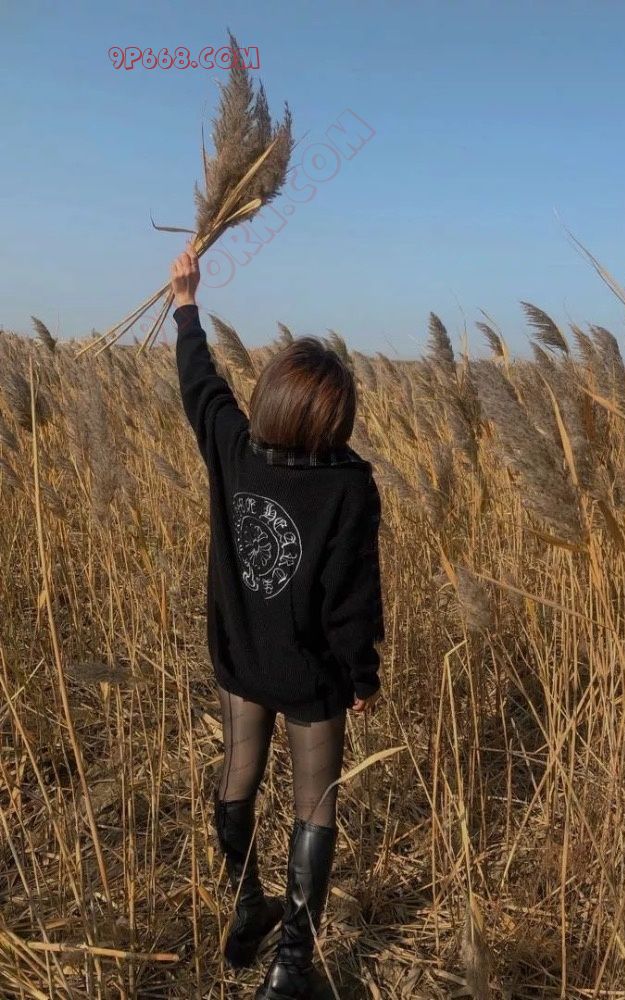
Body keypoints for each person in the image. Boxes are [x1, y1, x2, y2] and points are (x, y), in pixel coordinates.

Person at [170, 244, 385, 999]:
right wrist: (363, 676)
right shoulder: (350, 486)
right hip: (310, 677)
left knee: (238, 774)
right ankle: (291, 965)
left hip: (241, 659)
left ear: (270, 401)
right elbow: (353, 598)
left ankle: (245, 908)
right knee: (314, 804)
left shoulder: (236, 451)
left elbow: (200, 385)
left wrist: (186, 304)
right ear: (334, 417)